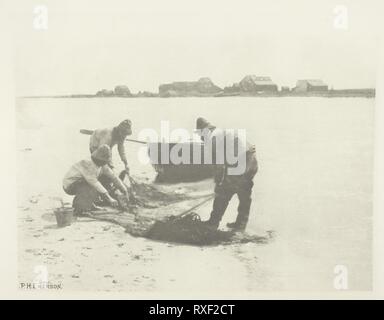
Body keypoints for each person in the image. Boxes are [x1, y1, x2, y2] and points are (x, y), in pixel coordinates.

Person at [195, 117, 258, 231]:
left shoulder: (212, 139)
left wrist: (219, 183)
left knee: (223, 192)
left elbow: (219, 165)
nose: (201, 138)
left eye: (201, 135)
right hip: (252, 159)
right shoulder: (222, 132)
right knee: (244, 192)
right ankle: (241, 224)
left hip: (241, 160)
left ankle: (213, 223)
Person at [63, 144, 129, 214]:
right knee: (89, 185)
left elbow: (113, 177)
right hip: (70, 185)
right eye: (103, 161)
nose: (104, 163)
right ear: (98, 159)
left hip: (85, 181)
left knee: (106, 178)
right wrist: (109, 198)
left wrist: (124, 190)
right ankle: (79, 207)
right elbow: (95, 183)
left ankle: (91, 204)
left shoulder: (102, 164)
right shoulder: (87, 163)